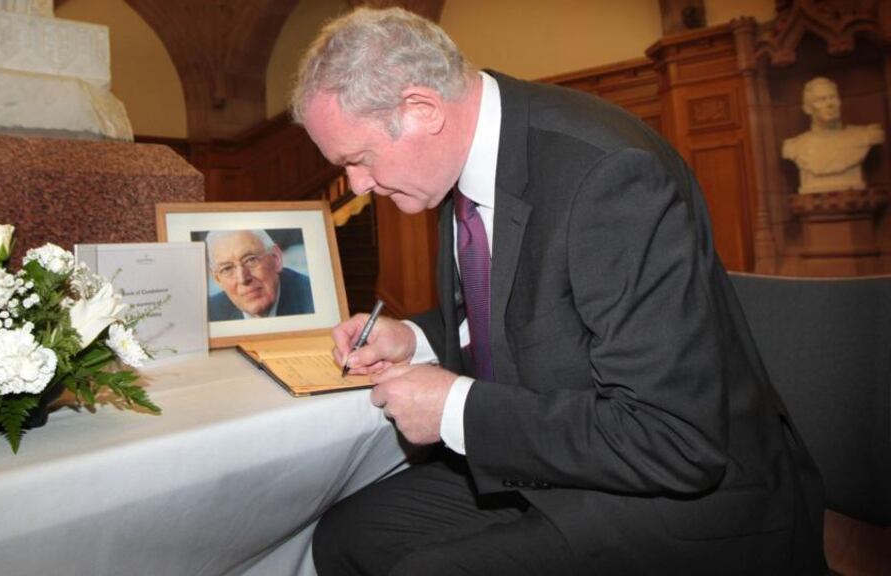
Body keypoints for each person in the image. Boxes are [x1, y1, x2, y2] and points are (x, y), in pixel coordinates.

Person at [292, 7, 826, 576]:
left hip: (691, 499)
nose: (356, 185)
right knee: (346, 536)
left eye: (358, 159)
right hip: (567, 459)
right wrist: (414, 337)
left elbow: (674, 438)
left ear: (421, 110)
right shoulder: (457, 161)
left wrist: (454, 409)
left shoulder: (610, 178)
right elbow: (516, 313)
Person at [782, 76, 884, 194]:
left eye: (833, 98)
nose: (830, 104)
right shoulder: (794, 146)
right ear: (807, 109)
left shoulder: (864, 136)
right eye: (821, 100)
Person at [205, 229, 314, 320]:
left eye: (251, 260)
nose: (242, 279)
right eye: (227, 268)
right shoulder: (210, 314)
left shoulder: (314, 302)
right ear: (217, 279)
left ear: (276, 259)